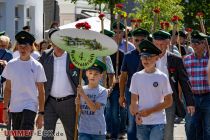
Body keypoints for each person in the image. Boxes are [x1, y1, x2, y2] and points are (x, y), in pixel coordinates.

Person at [151, 30, 195, 140]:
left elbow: (184, 82)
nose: (159, 47)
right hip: (149, 100)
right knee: (151, 133)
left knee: (167, 133)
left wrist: (190, 102)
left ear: (168, 43)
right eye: (157, 44)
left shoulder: (176, 60)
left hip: (168, 101)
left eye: (162, 44)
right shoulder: (146, 59)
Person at [2, 31, 46, 140]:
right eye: (20, 46)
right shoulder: (11, 65)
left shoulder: (37, 66)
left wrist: (41, 113)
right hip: (15, 107)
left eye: (25, 46)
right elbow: (7, 89)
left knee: (25, 137)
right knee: (18, 137)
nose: (22, 49)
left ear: (31, 47)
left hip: (30, 107)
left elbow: (41, 91)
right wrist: (5, 109)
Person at [39, 28, 79, 140]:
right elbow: (35, 70)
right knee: (47, 135)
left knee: (72, 134)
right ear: (51, 42)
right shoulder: (45, 56)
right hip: (50, 102)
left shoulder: (74, 56)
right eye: (54, 41)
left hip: (69, 102)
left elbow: (85, 75)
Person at [130, 39, 173, 140]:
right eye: (143, 57)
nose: (146, 60)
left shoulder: (162, 77)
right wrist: (136, 113)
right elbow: (134, 99)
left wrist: (151, 111)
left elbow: (169, 101)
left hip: (158, 122)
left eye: (149, 57)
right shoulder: (136, 76)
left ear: (157, 58)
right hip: (142, 121)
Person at [119, 28, 149, 140]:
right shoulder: (128, 56)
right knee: (132, 123)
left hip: (149, 92)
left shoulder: (153, 56)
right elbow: (123, 77)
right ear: (133, 40)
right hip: (131, 92)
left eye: (142, 40)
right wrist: (121, 96)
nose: (139, 42)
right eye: (137, 40)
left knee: (147, 121)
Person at [109, 21, 135, 139]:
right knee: (113, 110)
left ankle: (122, 130)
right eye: (115, 32)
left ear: (124, 33)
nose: (117, 34)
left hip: (126, 82)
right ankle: (114, 132)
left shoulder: (129, 46)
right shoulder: (108, 46)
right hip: (113, 83)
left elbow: (133, 65)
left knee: (124, 109)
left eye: (119, 32)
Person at [184, 30, 210, 140]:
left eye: (197, 42)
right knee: (191, 126)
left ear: (204, 43)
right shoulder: (186, 60)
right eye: (193, 42)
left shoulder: (209, 59)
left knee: (208, 127)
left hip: (208, 97)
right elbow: (184, 81)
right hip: (192, 99)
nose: (194, 45)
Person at [76, 60, 108, 140]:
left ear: (101, 76)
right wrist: (77, 105)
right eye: (90, 73)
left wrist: (83, 94)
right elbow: (78, 112)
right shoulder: (82, 89)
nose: (92, 76)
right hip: (84, 130)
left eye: (96, 74)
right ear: (86, 74)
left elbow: (94, 108)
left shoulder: (103, 91)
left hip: (98, 131)